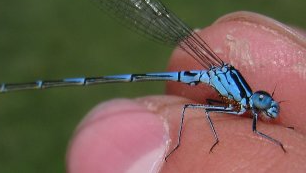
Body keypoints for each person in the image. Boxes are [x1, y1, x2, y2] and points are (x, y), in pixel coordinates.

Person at [66, 11, 306, 173]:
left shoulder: (246, 102)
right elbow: (249, 127)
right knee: (191, 108)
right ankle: (178, 144)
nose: (264, 104)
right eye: (263, 102)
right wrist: (212, 140)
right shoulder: (243, 100)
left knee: (198, 108)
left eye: (264, 102)